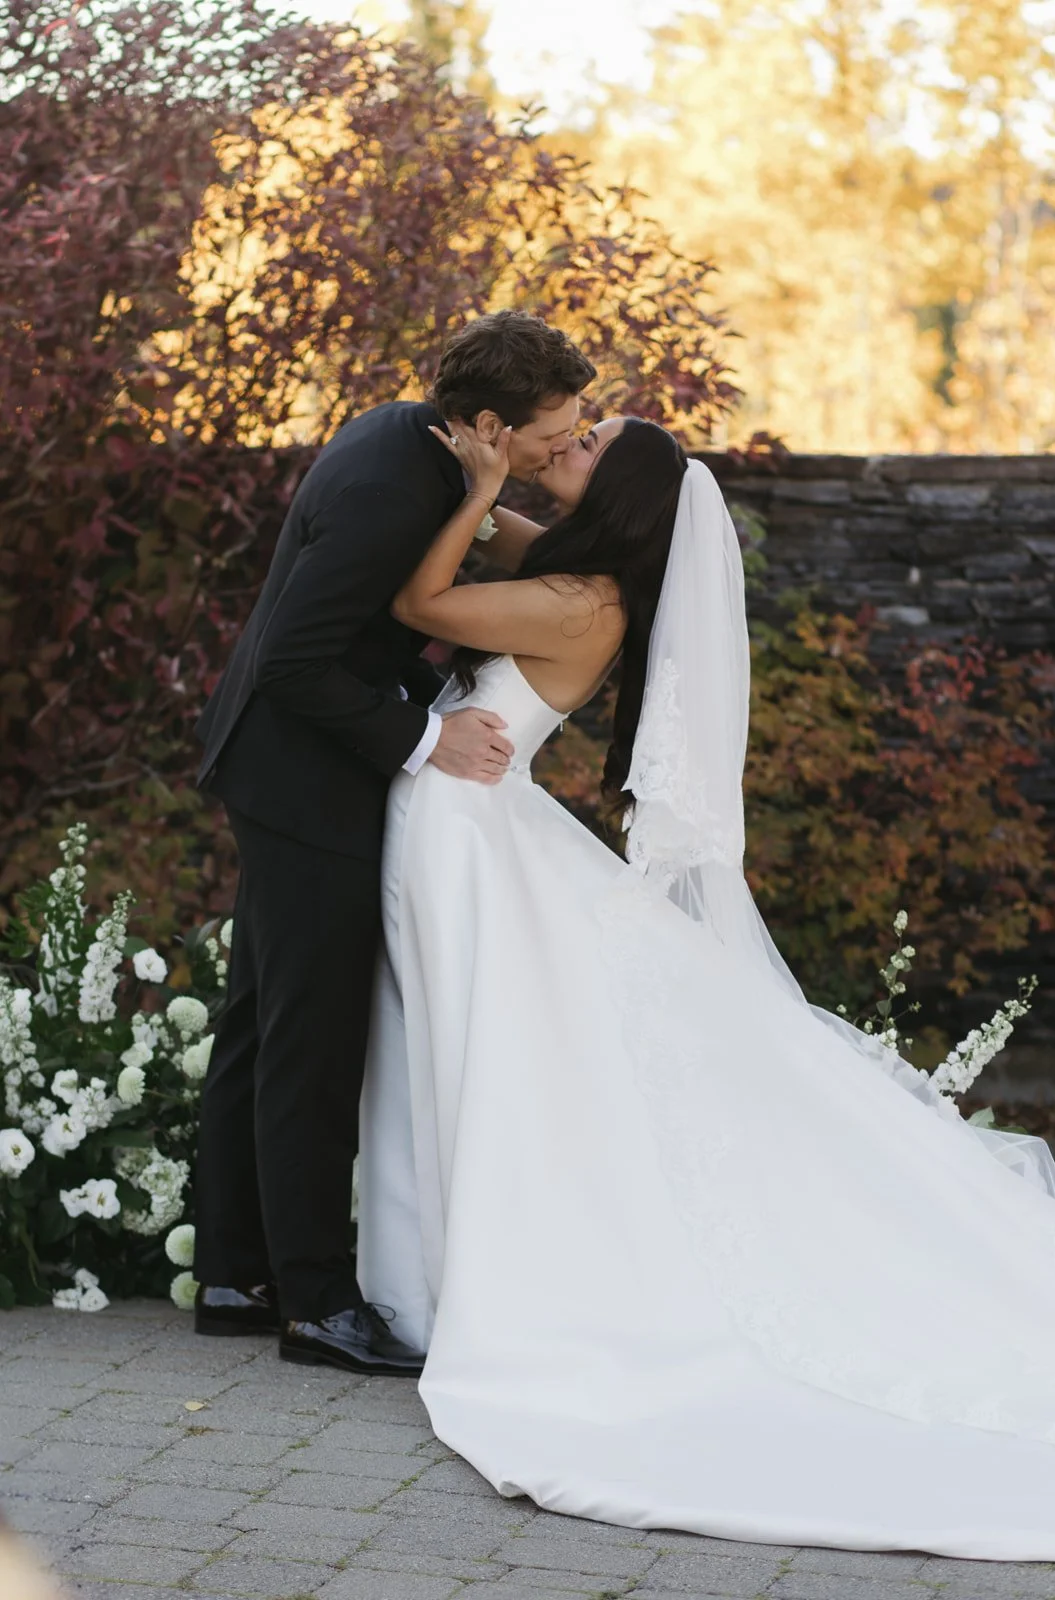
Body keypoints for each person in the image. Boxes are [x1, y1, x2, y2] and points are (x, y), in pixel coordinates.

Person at [358, 413, 1055, 1560]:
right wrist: (490, 484)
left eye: (588, 444)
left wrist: (478, 490)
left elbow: (419, 604)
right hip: (471, 819)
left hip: (467, 827)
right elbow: (495, 536)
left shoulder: (579, 602)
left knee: (487, 1037)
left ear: (623, 495)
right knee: (479, 1033)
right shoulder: (575, 574)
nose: (571, 445)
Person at [191, 311, 596, 1374]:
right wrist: (427, 735)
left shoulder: (413, 444)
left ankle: (235, 1272)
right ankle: (317, 1305)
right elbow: (293, 658)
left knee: (259, 1021)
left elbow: (364, 631)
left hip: (286, 764)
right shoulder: (388, 487)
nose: (562, 446)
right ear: (489, 424)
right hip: (303, 781)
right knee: (311, 1042)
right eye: (551, 432)